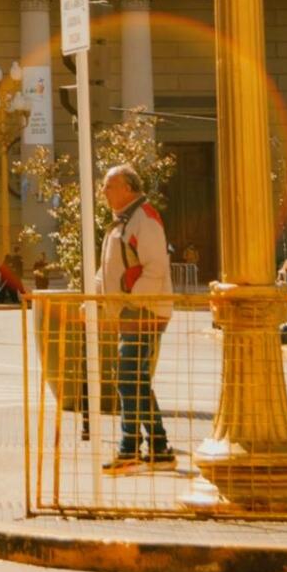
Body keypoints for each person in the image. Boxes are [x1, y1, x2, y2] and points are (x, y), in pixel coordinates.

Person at [98, 165, 175, 472]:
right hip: (134, 310)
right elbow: (110, 268)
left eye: (109, 186)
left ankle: (130, 449)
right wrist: (94, 296)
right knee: (136, 379)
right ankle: (159, 448)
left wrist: (134, 302)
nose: (104, 192)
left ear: (128, 188)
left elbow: (155, 268)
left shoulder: (144, 219)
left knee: (128, 378)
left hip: (143, 311)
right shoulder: (124, 221)